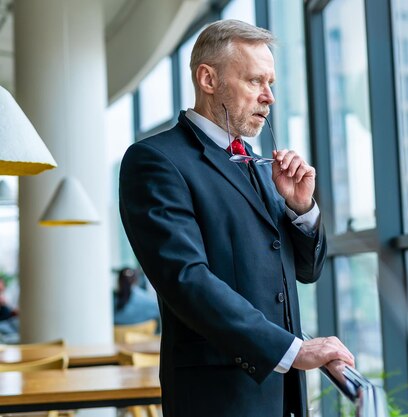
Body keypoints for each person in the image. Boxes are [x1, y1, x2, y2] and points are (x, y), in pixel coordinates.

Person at [119, 19, 354, 417]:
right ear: (208, 79)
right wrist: (293, 349)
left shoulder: (263, 167)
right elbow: (185, 279)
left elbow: (306, 270)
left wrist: (301, 208)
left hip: (283, 393)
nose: (269, 97)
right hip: (218, 398)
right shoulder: (155, 161)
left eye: (271, 83)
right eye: (255, 81)